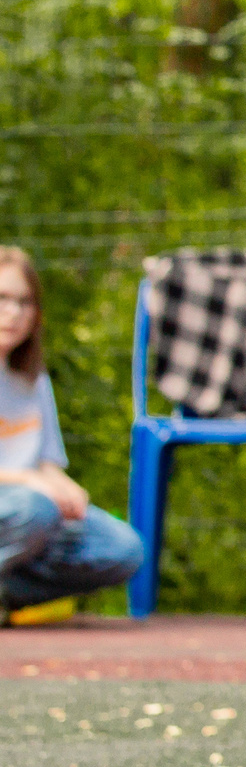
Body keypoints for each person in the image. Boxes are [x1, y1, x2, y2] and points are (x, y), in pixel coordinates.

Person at [0, 247, 144, 621]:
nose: (14, 312)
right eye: (3, 298)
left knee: (122, 547)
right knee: (35, 509)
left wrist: (66, 488)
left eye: (24, 302)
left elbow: (46, 461)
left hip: (31, 513)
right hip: (23, 508)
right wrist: (32, 482)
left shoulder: (32, 378)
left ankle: (6, 594)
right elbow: (32, 482)